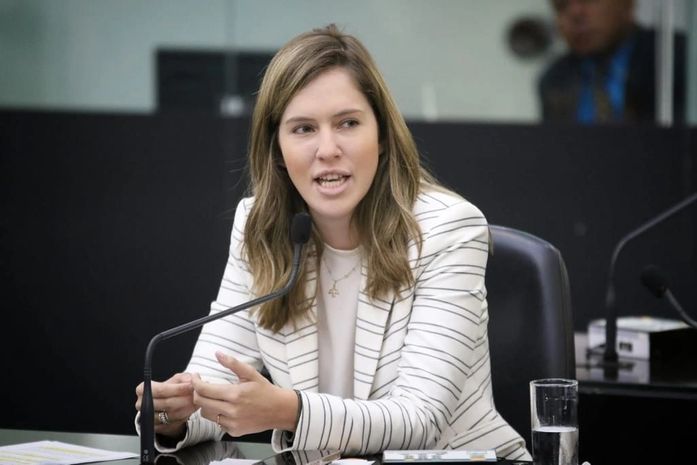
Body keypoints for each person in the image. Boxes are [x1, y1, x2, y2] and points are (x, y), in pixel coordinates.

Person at [134, 24, 530, 460]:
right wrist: (175, 415)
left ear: (382, 135)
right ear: (277, 149)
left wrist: (289, 411)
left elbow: (421, 419)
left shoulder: (448, 228)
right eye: (303, 128)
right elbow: (217, 385)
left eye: (347, 123)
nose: (327, 149)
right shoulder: (261, 226)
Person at [538, 0, 685, 123]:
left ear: (627, 5)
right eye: (561, 5)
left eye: (588, 1)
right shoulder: (554, 80)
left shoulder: (676, 58)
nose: (575, 14)